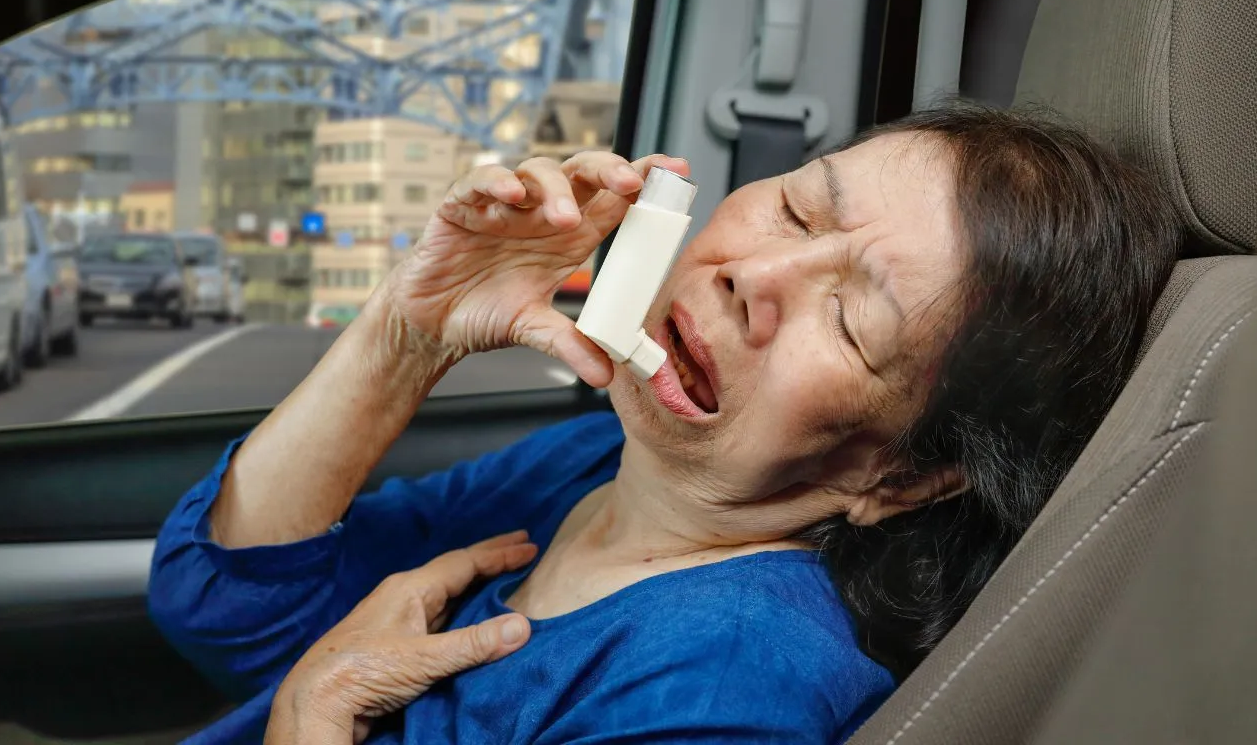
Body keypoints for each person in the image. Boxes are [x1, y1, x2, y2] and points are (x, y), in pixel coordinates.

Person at [148, 103, 1180, 743]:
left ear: (899, 479)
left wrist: (311, 722)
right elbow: (230, 608)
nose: (749, 276)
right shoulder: (597, 465)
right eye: (794, 211)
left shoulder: (723, 681)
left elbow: (275, 659)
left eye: (853, 320)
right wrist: (406, 336)